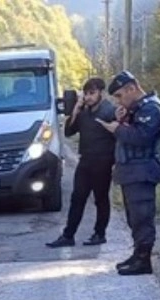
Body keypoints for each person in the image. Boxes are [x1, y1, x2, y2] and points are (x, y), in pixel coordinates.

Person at [99, 70, 160, 276]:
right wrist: (122, 119)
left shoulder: (152, 108)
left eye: (120, 95)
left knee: (142, 217)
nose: (118, 100)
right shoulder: (137, 108)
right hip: (131, 170)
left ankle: (144, 260)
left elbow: (141, 137)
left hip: (142, 170)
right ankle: (138, 254)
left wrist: (116, 129)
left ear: (131, 88)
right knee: (134, 217)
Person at [45, 77, 117, 248]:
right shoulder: (84, 112)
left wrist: (115, 162)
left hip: (103, 161)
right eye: (86, 93)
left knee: (100, 199)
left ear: (101, 93)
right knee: (77, 198)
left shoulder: (110, 111)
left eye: (92, 93)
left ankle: (99, 234)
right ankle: (68, 236)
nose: (88, 97)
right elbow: (69, 131)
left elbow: (118, 136)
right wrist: (76, 110)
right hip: (85, 161)